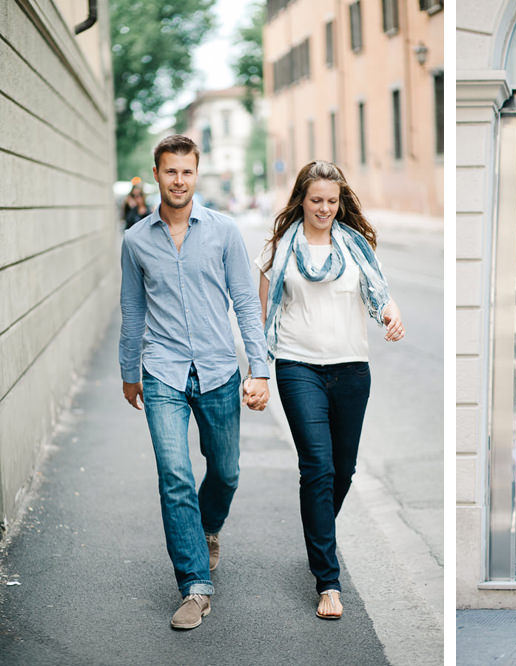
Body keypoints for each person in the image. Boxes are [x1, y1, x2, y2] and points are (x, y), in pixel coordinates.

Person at [119, 135, 271, 630]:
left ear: (196, 173)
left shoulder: (224, 232)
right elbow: (132, 311)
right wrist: (128, 373)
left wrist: (259, 368)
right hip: (161, 369)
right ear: (157, 173)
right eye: (170, 171)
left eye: (187, 172)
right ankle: (194, 586)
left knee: (224, 471)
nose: (179, 180)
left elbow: (246, 303)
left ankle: (208, 528)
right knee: (175, 475)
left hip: (218, 371)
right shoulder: (136, 240)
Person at [256, 160, 404, 621]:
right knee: (317, 468)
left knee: (343, 470)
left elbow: (380, 291)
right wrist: (256, 369)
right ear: (301, 198)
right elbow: (260, 316)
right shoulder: (279, 249)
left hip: (351, 369)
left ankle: (317, 532)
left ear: (341, 202)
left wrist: (391, 314)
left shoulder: (357, 246)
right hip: (299, 367)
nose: (324, 208)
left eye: (331, 201)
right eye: (316, 200)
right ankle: (328, 580)